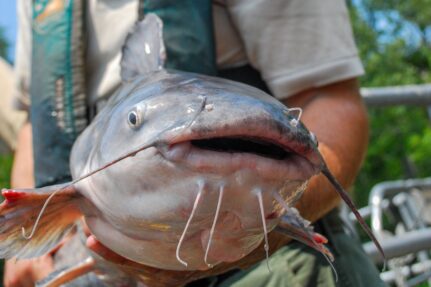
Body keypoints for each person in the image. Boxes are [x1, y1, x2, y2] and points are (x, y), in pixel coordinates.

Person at [4, 0, 386, 286]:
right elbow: (30, 127)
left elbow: (334, 103)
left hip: (268, 268)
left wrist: (260, 225)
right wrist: (21, 246)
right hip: (80, 258)